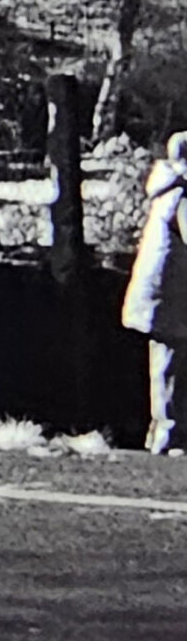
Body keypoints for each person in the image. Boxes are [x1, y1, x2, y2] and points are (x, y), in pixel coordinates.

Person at [124, 130, 187, 455]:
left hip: (163, 294)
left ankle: (162, 436)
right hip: (172, 296)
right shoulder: (182, 195)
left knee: (167, 366)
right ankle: (169, 438)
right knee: (172, 368)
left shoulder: (167, 188)